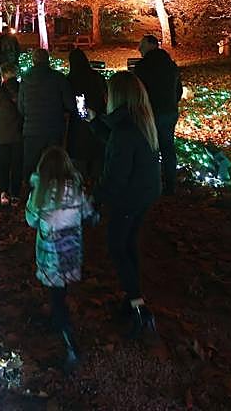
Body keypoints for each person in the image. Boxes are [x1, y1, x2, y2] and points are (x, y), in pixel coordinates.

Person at [88, 71, 161, 337]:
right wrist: (98, 126)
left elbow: (115, 175)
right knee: (128, 245)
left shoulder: (125, 129)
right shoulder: (140, 121)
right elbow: (120, 148)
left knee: (118, 248)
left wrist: (95, 199)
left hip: (130, 198)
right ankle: (132, 298)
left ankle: (139, 307)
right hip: (145, 194)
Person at [25, 145, 98, 373]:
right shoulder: (76, 190)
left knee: (57, 299)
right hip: (71, 251)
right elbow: (87, 213)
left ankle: (70, 345)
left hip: (51, 256)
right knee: (61, 290)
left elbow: (31, 220)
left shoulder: (41, 192)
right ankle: (57, 320)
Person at [133, 34, 182, 194]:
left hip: (151, 113)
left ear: (150, 44)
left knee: (151, 148)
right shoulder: (170, 65)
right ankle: (170, 185)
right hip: (169, 112)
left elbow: (137, 92)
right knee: (168, 148)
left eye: (142, 44)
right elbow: (179, 90)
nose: (139, 48)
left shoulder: (142, 67)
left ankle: (151, 183)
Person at [17, 47, 77, 178]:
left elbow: (21, 107)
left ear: (33, 61)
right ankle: (53, 191)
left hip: (32, 129)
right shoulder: (58, 78)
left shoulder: (25, 81)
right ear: (48, 61)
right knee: (54, 164)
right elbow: (69, 103)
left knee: (31, 165)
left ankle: (32, 193)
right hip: (53, 127)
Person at [66, 48, 108, 184]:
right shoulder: (97, 77)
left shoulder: (70, 80)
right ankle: (96, 184)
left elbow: (67, 102)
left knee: (79, 159)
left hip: (78, 125)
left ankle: (81, 185)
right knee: (96, 155)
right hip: (97, 120)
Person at [0, 61, 23, 206]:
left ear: (2, 76)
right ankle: (15, 194)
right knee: (17, 164)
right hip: (18, 134)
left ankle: (3, 192)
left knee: (3, 165)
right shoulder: (22, 91)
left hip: (0, 135)